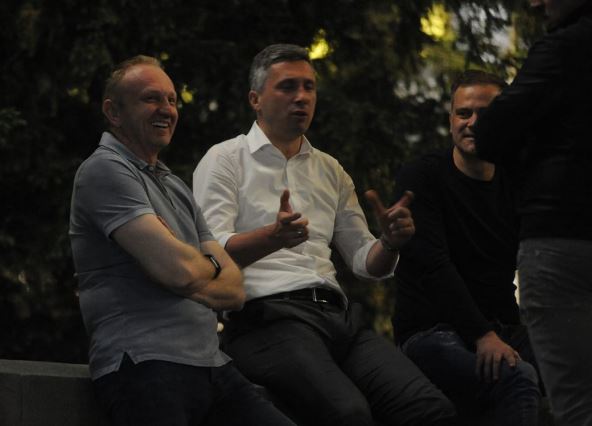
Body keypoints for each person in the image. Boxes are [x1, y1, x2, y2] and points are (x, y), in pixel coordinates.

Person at [193, 43, 457, 426]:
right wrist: (272, 237)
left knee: (430, 409)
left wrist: (389, 242)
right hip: (266, 320)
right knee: (349, 413)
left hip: (339, 319)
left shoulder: (330, 170)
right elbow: (210, 257)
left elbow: (365, 262)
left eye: (309, 86)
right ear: (255, 99)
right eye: (287, 86)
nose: (301, 96)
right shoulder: (225, 159)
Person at [69, 55, 296, 426]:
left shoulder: (174, 185)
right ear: (113, 112)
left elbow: (234, 289)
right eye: (151, 99)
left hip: (212, 365)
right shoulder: (104, 169)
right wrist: (196, 268)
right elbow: (178, 271)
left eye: (172, 100)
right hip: (144, 364)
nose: (167, 109)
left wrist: (186, 270)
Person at [391, 70, 541, 425]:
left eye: (486, 114)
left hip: (500, 327)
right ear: (451, 121)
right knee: (516, 377)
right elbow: (433, 268)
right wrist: (482, 335)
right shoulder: (422, 177)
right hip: (431, 332)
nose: (473, 123)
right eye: (464, 113)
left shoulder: (516, 181)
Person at [474, 1, 592, 425]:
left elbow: (490, 134)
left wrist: (534, 154)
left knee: (578, 404)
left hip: (561, 237)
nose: (535, 3)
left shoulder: (565, 48)